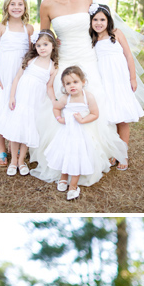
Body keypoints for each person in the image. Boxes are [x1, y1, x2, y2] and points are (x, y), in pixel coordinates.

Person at [31, 0, 144, 184]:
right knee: (64, 100)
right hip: (65, 59)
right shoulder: (47, 4)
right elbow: (45, 37)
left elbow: (96, 24)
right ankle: (62, 156)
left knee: (98, 99)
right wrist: (53, 46)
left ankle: (99, 154)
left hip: (87, 57)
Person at [89, 3, 144, 164]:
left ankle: (123, 155)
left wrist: (133, 78)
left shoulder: (116, 33)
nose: (99, 23)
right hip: (105, 82)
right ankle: (114, 151)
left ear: (108, 20)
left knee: (122, 119)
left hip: (120, 81)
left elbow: (129, 55)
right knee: (110, 117)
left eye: (102, 19)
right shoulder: (93, 39)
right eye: (95, 20)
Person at [0, 0, 33, 169]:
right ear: (7, 7)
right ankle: (2, 147)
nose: (16, 7)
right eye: (13, 4)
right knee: (3, 108)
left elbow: (33, 52)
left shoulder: (29, 29)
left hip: (21, 73)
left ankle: (16, 143)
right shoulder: (1, 27)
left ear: (25, 7)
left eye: (20, 4)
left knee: (17, 108)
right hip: (4, 73)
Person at [4, 31, 59, 177]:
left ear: (52, 46)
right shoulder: (30, 60)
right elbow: (17, 78)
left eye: (45, 44)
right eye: (39, 45)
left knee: (28, 129)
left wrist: (54, 101)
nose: (42, 48)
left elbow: (49, 87)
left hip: (35, 102)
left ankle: (22, 161)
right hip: (21, 99)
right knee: (16, 129)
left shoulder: (53, 67)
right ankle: (13, 161)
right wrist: (11, 96)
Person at [43, 67, 102, 200]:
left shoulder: (88, 97)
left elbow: (95, 114)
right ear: (64, 86)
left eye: (75, 82)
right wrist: (60, 119)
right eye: (68, 83)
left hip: (81, 133)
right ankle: (63, 178)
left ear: (83, 82)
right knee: (65, 153)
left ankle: (73, 186)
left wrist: (82, 120)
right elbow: (56, 107)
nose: (72, 86)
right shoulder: (65, 98)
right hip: (66, 132)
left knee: (78, 155)